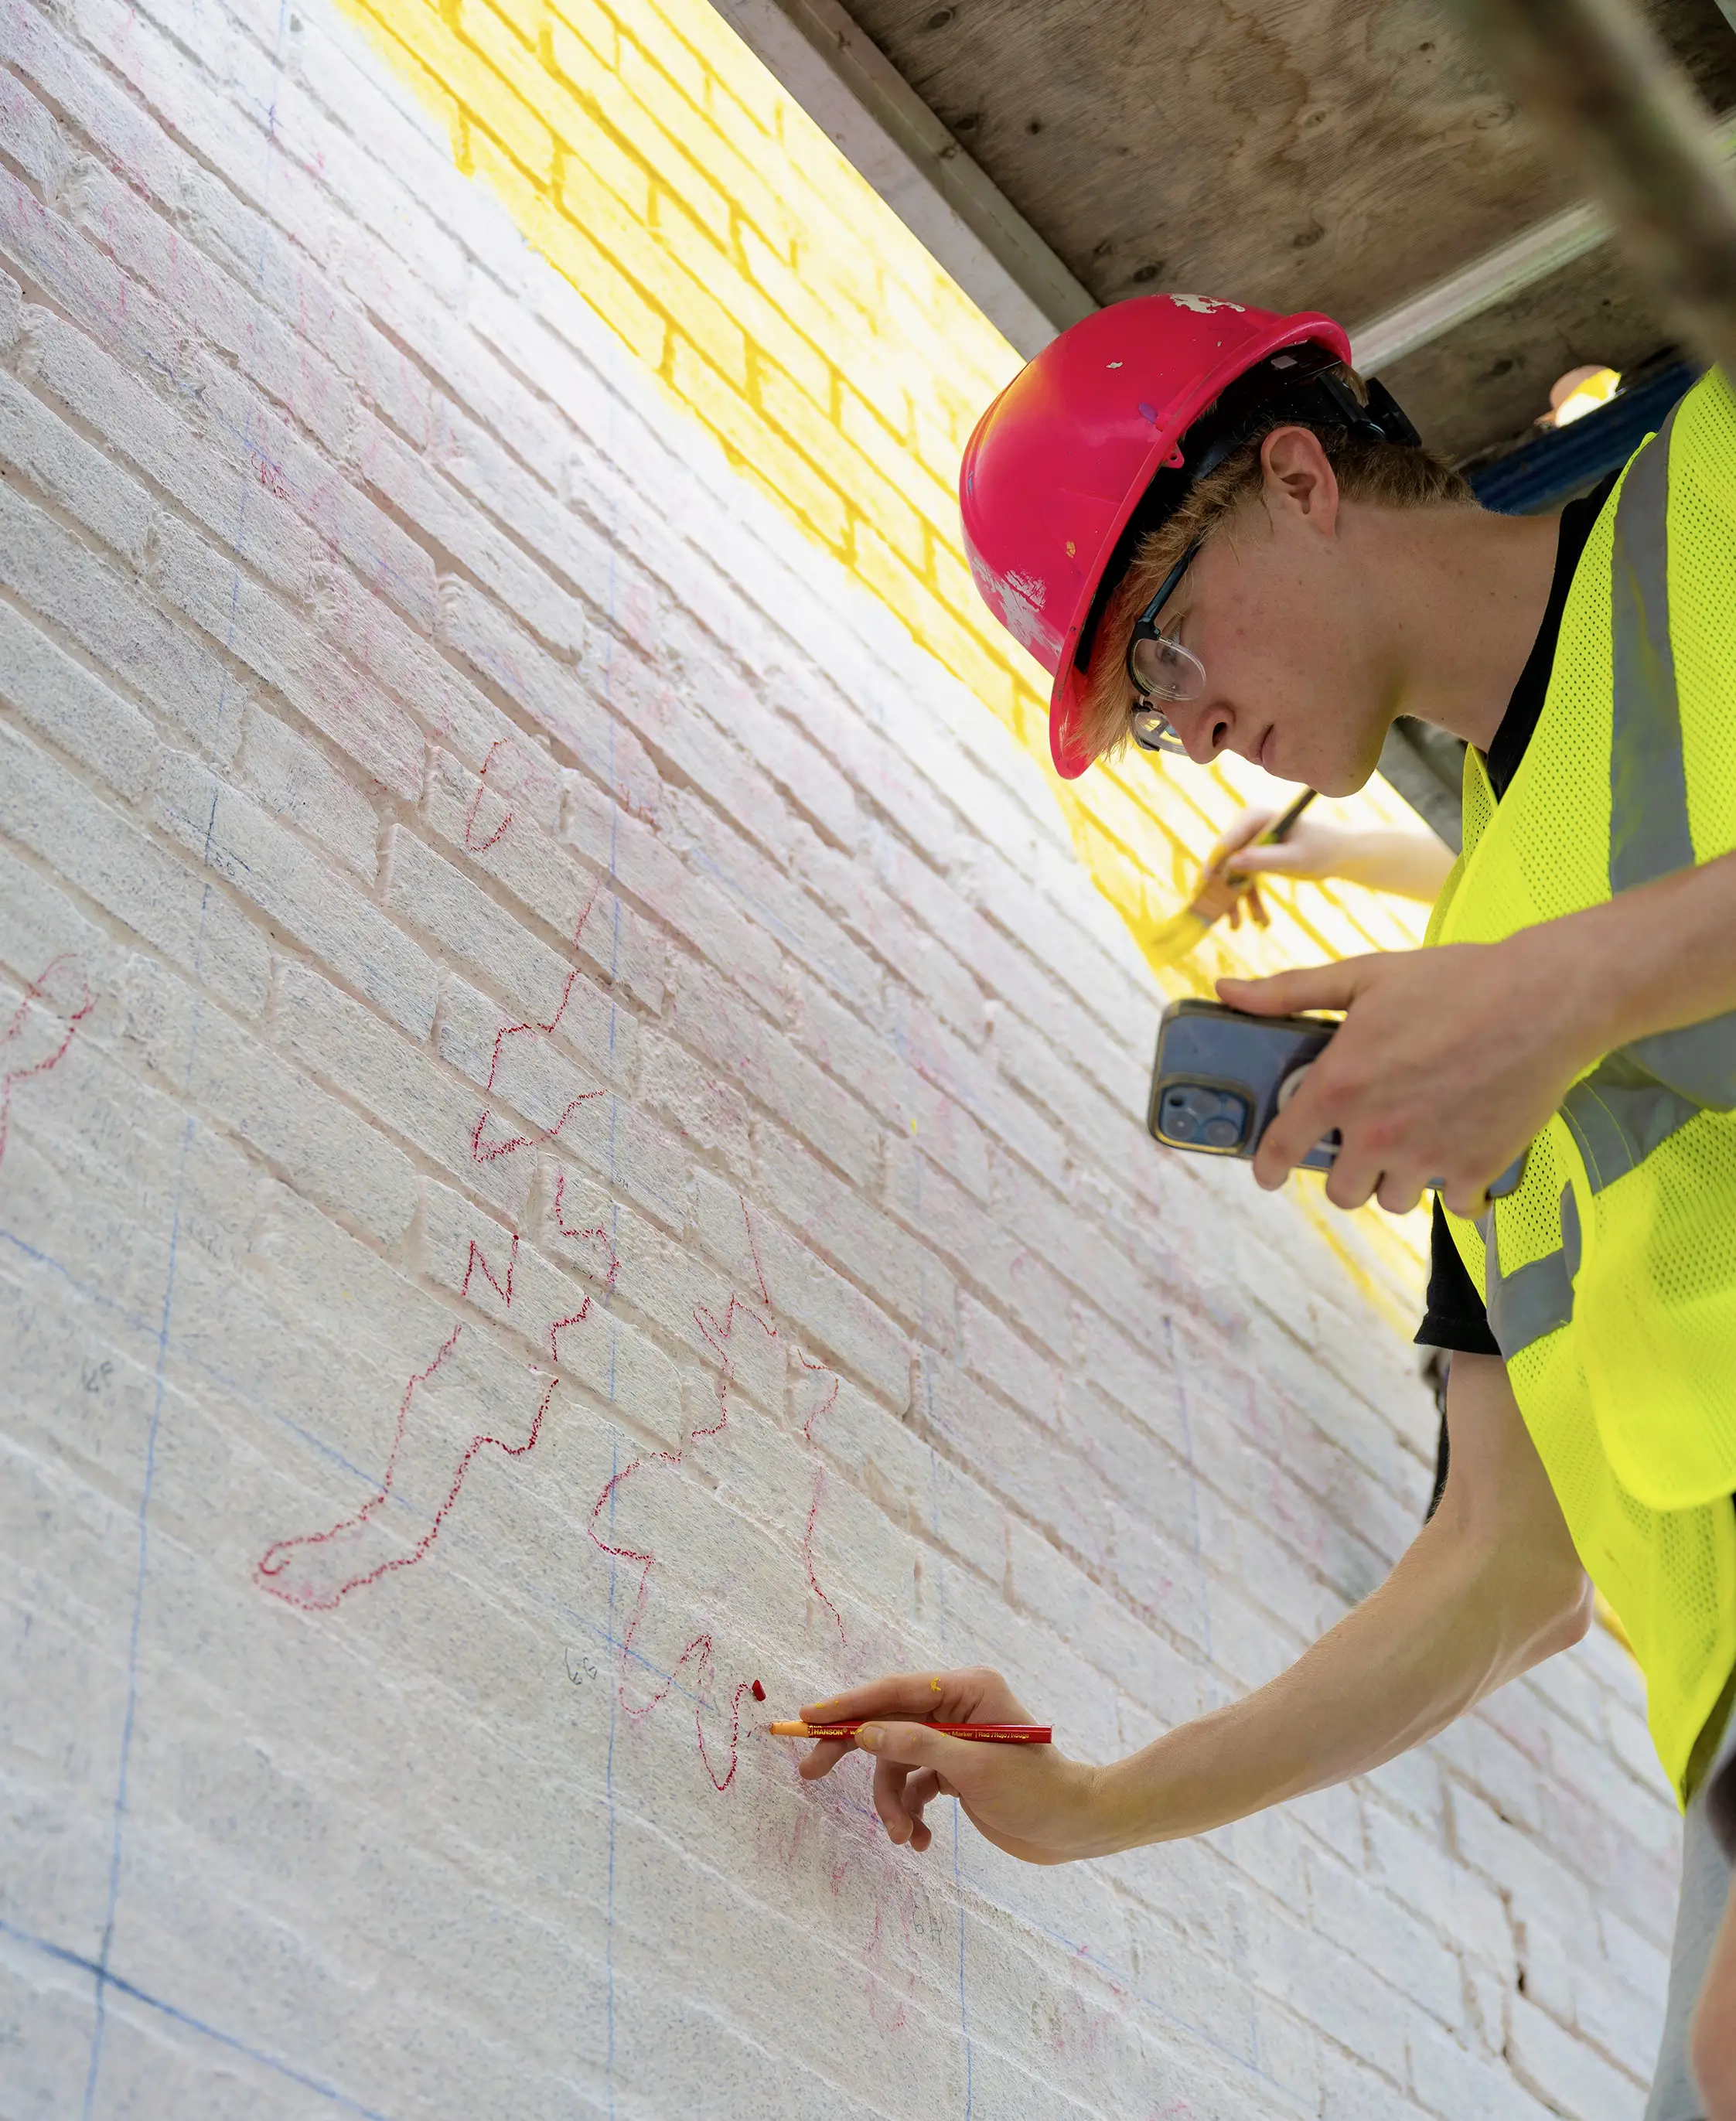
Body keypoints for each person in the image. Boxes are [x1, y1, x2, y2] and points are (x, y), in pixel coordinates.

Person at [798, 295, 1736, 2119]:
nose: (1188, 726)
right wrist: (1091, 1811)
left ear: (1295, 476)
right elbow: (1503, 1570)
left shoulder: (1709, 491)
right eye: (1147, 718)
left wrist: (1577, 991)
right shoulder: (1458, 1001)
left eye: (1153, 652)